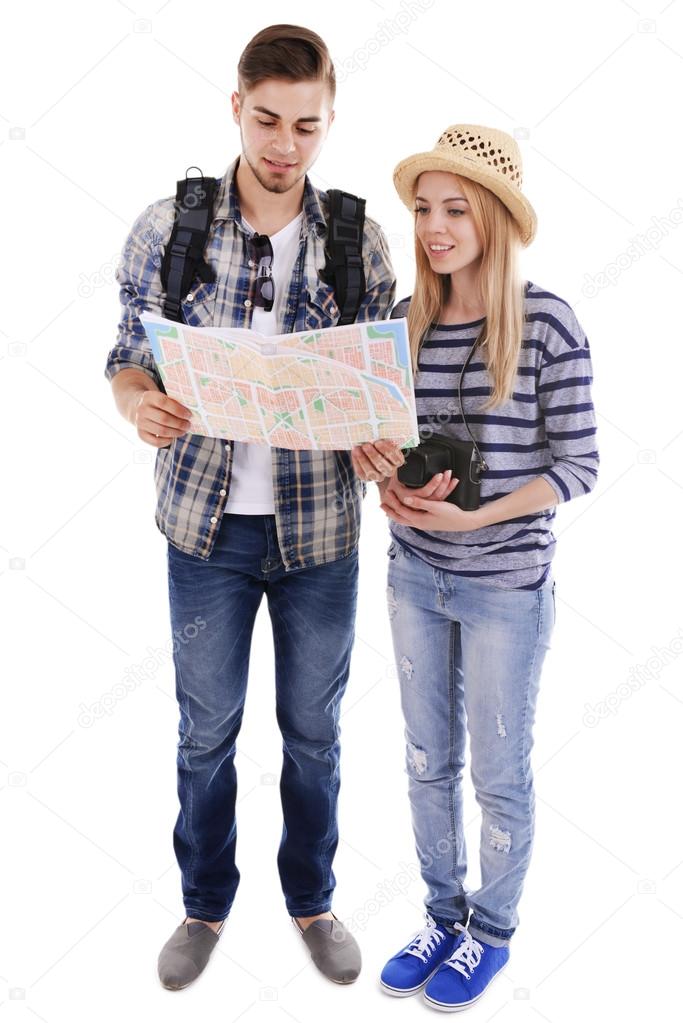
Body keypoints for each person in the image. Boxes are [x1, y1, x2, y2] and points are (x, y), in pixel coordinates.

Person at [104, 24, 400, 990]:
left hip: (321, 536)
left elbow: (385, 394)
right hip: (205, 531)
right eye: (266, 119)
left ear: (326, 121)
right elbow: (126, 356)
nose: (284, 144)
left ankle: (311, 898)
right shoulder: (170, 225)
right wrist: (140, 403)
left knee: (314, 733)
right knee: (206, 730)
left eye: (305, 126)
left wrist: (378, 439)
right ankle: (204, 901)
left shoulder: (358, 238)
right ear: (235, 107)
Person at [352, 124, 599, 1011]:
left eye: (454, 209)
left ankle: (489, 933)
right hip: (413, 574)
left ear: (494, 217)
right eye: (422, 209)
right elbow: (383, 453)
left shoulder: (546, 324)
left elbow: (577, 466)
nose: (433, 227)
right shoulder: (403, 328)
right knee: (425, 759)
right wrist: (384, 481)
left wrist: (475, 514)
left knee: (497, 771)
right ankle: (440, 915)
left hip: (505, 586)